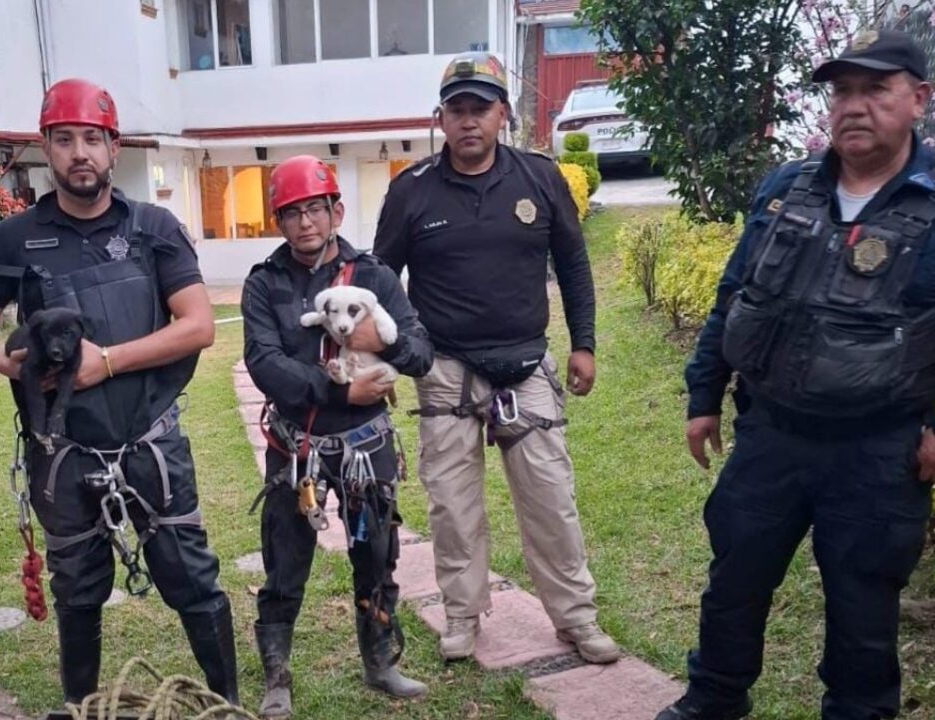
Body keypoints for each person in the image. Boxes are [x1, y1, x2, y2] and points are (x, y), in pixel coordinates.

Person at [659, 29, 935, 720]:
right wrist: (704, 395)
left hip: (877, 449)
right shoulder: (788, 187)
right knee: (734, 581)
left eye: (876, 88)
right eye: (842, 90)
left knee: (862, 604)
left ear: (919, 99)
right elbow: (735, 293)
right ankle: (714, 699)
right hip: (771, 433)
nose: (854, 105)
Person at [0, 78, 238, 706]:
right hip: (64, 452)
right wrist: (22, 371)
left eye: (92, 138)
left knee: (192, 580)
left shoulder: (154, 228)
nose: (79, 152)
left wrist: (104, 362)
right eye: (63, 139)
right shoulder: (14, 238)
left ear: (113, 147)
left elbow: (197, 327)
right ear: (46, 150)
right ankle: (81, 708)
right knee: (77, 591)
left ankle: (229, 705)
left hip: (150, 443)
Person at [372, 52, 619, 665]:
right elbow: (382, 280)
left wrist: (583, 344)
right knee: (453, 509)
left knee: (551, 501)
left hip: (526, 367)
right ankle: (461, 617)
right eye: (457, 110)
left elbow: (574, 266)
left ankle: (576, 620)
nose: (469, 121)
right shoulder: (411, 190)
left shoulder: (541, 178)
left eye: (480, 108)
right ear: (441, 118)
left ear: (503, 114)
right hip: (446, 370)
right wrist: (407, 353)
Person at [242, 155, 432, 718]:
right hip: (295, 445)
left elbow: (420, 352)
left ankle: (380, 663)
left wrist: (383, 339)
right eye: (292, 213)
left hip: (365, 446)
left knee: (376, 554)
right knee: (285, 560)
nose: (305, 223)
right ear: (279, 220)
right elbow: (264, 363)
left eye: (315, 209)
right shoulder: (265, 282)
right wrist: (339, 394)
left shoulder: (372, 277)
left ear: (336, 211)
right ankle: (276, 675)